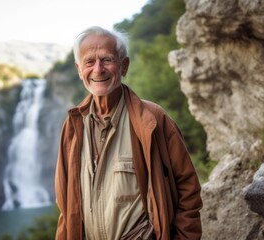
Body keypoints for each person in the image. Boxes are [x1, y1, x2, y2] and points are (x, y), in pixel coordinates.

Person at [55, 26, 202, 240]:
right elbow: (65, 205)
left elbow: (188, 189)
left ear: (124, 66)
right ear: (79, 70)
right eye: (89, 62)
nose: (98, 69)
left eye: (106, 59)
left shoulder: (152, 119)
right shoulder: (72, 125)